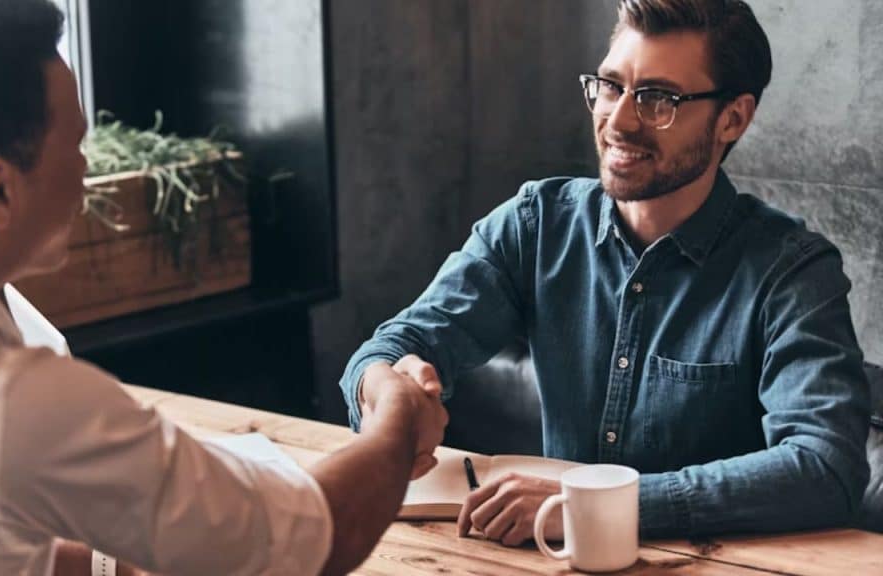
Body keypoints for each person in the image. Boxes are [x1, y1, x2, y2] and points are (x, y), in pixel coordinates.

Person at [0, 1, 448, 575]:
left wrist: (116, 565)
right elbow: (311, 537)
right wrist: (395, 415)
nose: (87, 171)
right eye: (76, 148)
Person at [341, 0, 870, 545]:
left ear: (732, 118)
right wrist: (389, 396)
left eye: (658, 99)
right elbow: (393, 346)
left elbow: (826, 466)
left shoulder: (793, 271)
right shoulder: (536, 224)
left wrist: (593, 505)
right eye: (611, 86)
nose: (618, 120)